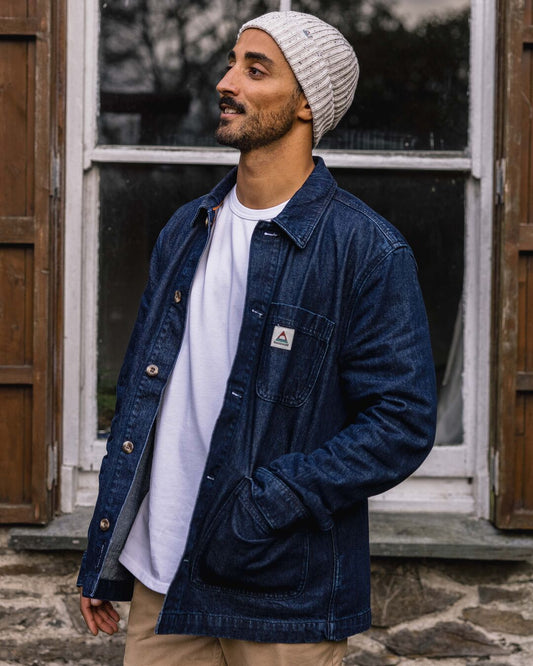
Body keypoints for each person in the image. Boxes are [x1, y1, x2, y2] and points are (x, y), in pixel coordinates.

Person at [78, 10, 437, 666]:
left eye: (255, 69)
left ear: (306, 102)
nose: (227, 82)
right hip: (162, 579)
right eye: (230, 63)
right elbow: (141, 397)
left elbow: (401, 424)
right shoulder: (186, 229)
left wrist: (266, 503)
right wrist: (105, 551)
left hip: (280, 596)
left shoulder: (365, 250)